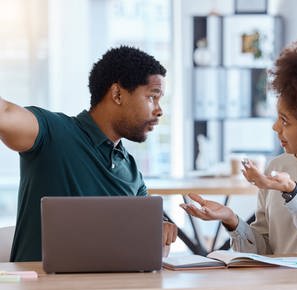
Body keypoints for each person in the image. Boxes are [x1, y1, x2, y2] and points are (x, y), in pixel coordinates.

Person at [0, 46, 177, 262]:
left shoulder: (129, 169)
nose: (159, 110)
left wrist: (161, 230)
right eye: (152, 97)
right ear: (117, 94)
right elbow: (5, 113)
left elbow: (148, 229)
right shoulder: (53, 133)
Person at [180, 33, 297, 255]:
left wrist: (292, 192)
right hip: (278, 288)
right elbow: (263, 250)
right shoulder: (278, 167)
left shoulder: (283, 181)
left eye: (285, 120)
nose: (275, 128)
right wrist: (231, 219)